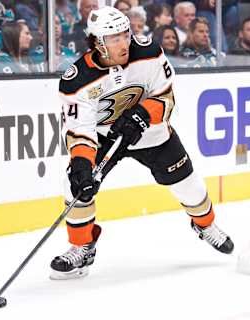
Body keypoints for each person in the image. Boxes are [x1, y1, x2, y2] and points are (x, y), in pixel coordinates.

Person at [51, 6, 234, 279]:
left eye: (126, 35)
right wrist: (81, 164)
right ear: (98, 43)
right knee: (75, 183)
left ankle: (205, 225)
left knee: (189, 185)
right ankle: (82, 246)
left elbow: (167, 97)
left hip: (152, 133)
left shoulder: (149, 52)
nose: (124, 43)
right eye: (115, 39)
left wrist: (143, 113)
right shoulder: (77, 80)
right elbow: (81, 130)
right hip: (106, 138)